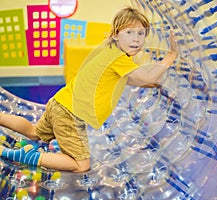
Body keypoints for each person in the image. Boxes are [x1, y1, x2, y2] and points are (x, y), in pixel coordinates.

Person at [0, 7, 178, 172]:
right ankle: (30, 157)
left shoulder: (108, 49)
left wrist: (155, 85)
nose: (136, 39)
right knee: (81, 165)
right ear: (116, 35)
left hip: (60, 102)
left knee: (33, 132)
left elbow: (128, 79)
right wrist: (171, 56)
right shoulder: (119, 58)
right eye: (129, 32)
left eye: (141, 33)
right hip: (71, 113)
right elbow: (146, 76)